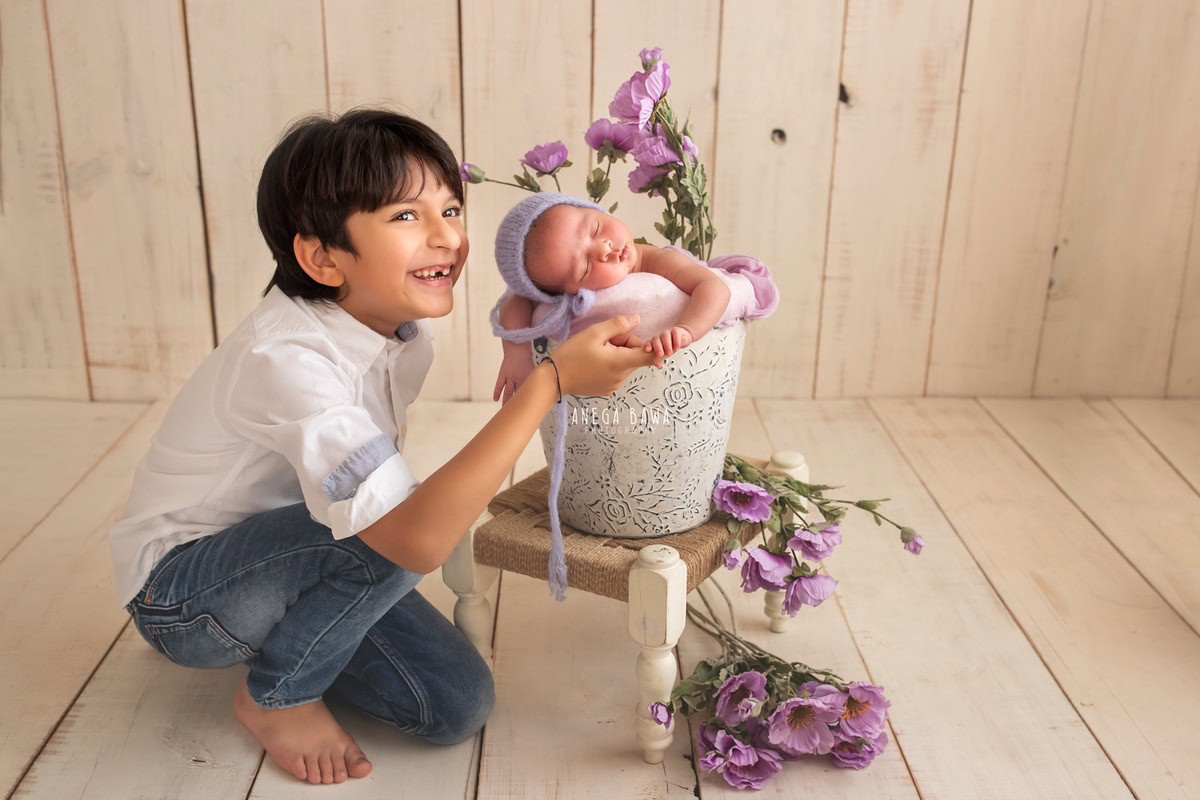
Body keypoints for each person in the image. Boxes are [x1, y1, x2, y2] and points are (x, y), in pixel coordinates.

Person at [107, 109, 661, 786]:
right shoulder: (286, 360)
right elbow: (414, 542)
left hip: (305, 555)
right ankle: (275, 697)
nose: (446, 238)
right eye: (406, 217)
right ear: (321, 256)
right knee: (403, 528)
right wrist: (550, 381)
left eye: (451, 209)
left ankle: (304, 634)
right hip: (186, 598)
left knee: (456, 705)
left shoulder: (400, 337)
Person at [490, 192, 733, 407]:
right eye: (585, 267)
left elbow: (713, 286)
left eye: (595, 228)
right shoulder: (552, 294)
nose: (603, 248)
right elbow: (516, 301)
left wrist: (687, 329)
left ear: (594, 210)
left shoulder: (657, 261)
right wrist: (517, 357)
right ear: (567, 293)